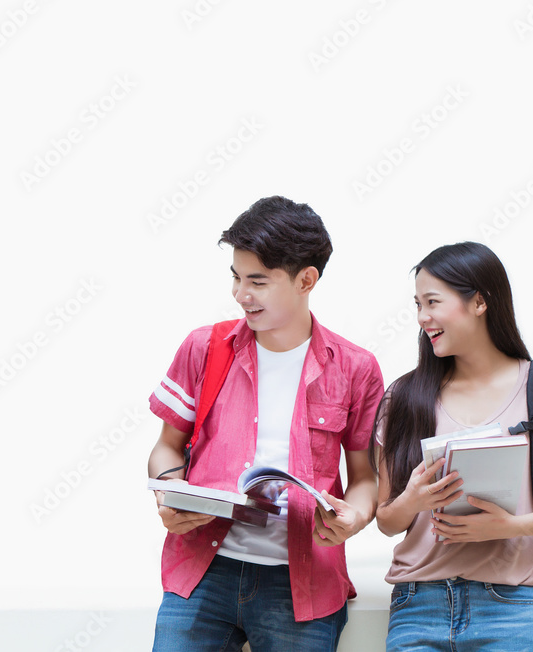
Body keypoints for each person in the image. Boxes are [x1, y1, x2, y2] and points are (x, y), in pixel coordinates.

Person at [146, 196, 384, 652]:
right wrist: (169, 490)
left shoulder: (355, 368)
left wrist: (354, 516)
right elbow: (166, 448)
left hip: (302, 585)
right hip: (202, 570)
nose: (241, 295)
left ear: (305, 280)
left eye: (257, 281)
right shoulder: (205, 347)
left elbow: (365, 480)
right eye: (236, 277)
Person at [373, 242, 533, 651]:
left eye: (433, 302)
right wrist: (414, 499)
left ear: (479, 302)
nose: (423, 317)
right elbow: (386, 520)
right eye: (418, 304)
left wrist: (511, 527)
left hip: (512, 609)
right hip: (417, 605)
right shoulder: (403, 396)